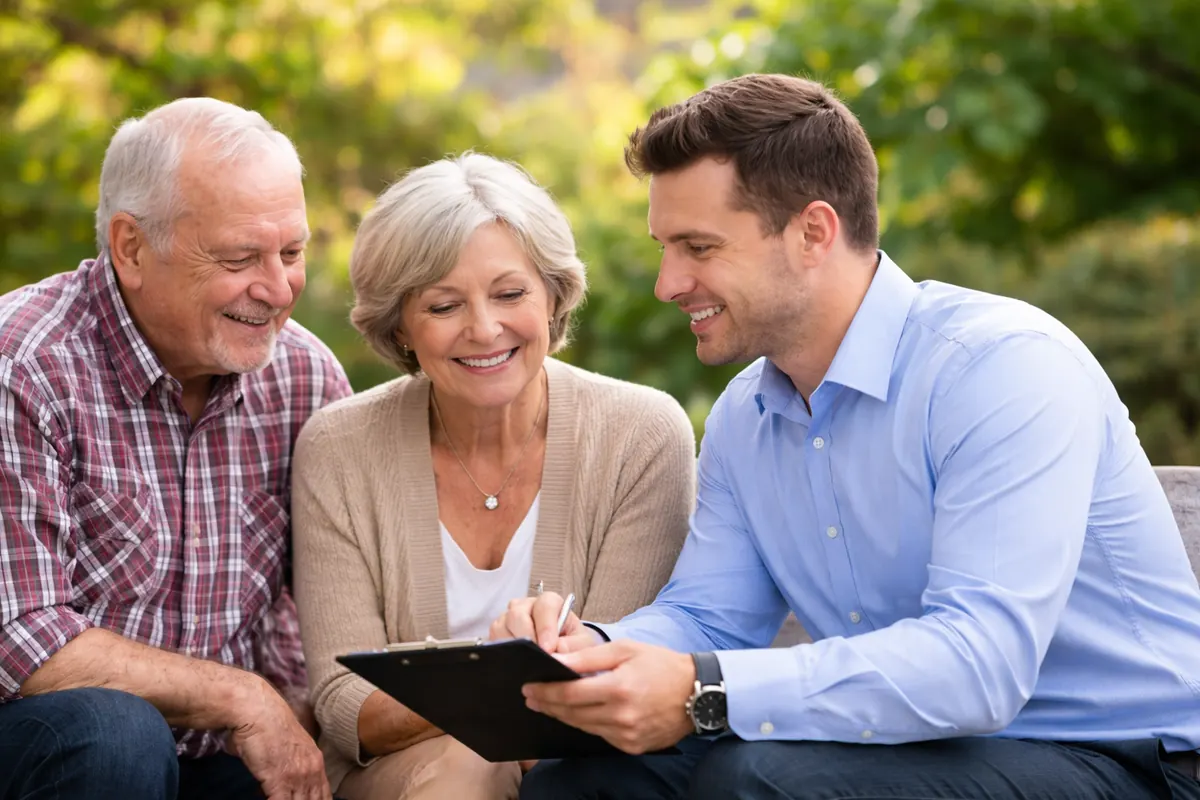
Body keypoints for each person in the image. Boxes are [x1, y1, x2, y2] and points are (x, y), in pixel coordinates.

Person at [493, 74, 1200, 800]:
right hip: (913, 753)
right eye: (665, 248)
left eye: (698, 247)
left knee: (763, 780)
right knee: (583, 779)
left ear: (813, 232)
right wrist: (591, 653)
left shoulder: (999, 369)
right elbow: (710, 615)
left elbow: (979, 667)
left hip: (1132, 760)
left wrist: (701, 688)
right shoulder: (747, 416)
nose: (668, 284)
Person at [290, 151, 696, 800]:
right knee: (471, 767)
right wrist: (503, 683)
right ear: (400, 322)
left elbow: (615, 678)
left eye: (510, 294)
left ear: (553, 294)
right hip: (395, 779)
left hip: (584, 776)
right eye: (444, 305)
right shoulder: (338, 449)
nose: (484, 329)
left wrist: (465, 692)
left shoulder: (641, 435)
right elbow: (345, 706)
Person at [0, 98, 350, 800]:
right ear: (131, 247)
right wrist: (247, 700)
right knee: (116, 734)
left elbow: (317, 610)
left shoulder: (306, 380)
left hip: (210, 759)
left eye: (292, 252)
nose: (279, 290)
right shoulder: (24, 366)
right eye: (240, 258)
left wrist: (301, 709)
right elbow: (22, 639)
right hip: (44, 748)